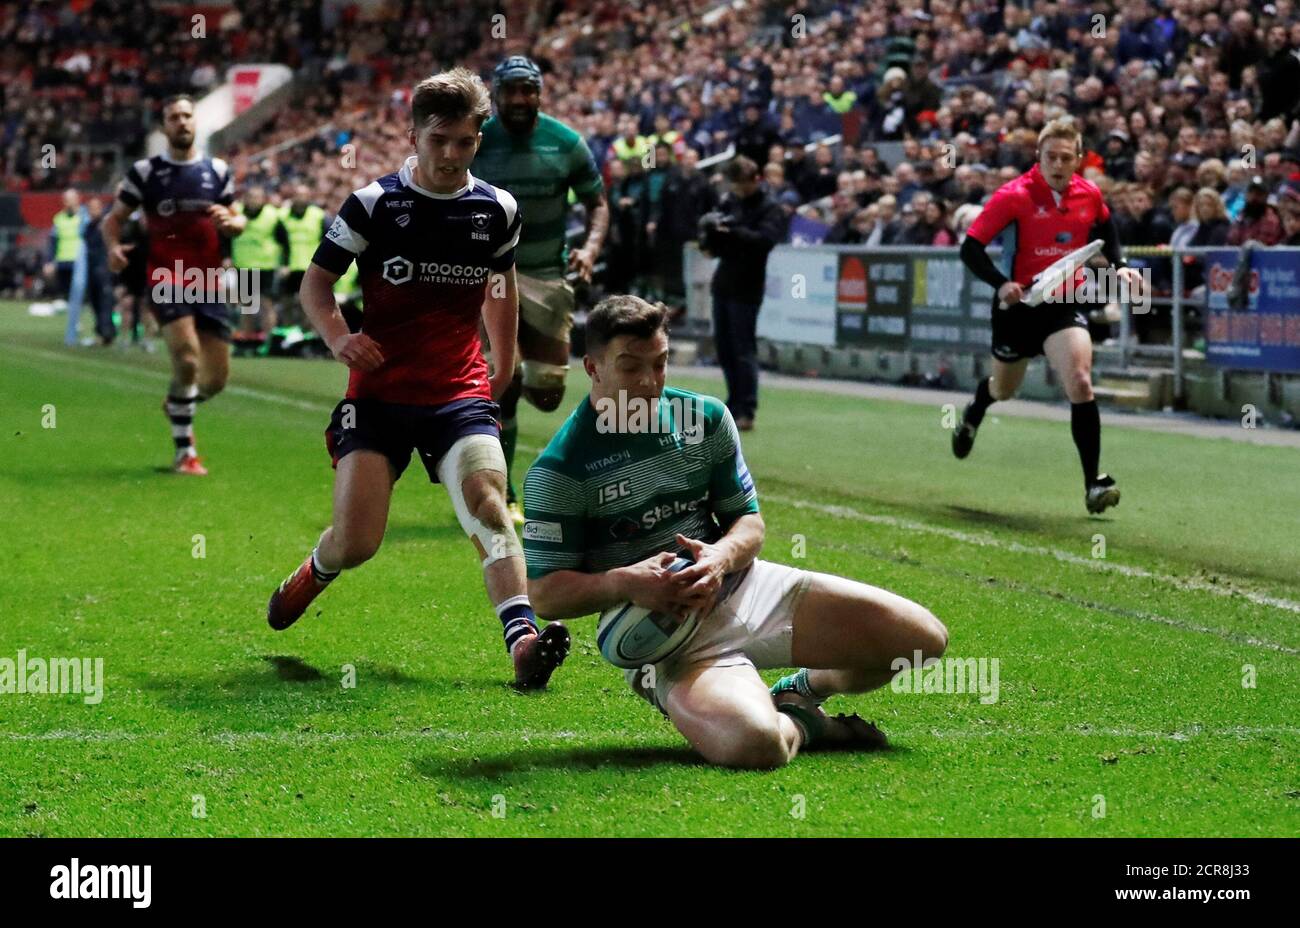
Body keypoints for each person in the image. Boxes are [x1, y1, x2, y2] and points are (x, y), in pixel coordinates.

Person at [522, 295, 948, 769]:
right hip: (666, 639)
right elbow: (544, 594)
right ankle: (804, 723)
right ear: (593, 367)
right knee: (755, 745)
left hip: (746, 587)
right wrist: (625, 583)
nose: (649, 382)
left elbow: (749, 524)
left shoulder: (704, 420)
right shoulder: (560, 471)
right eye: (630, 367)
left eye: (660, 364)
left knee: (922, 642)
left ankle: (805, 688)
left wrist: (721, 557)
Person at [264, 68, 570, 691]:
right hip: (377, 398)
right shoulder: (374, 204)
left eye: (465, 141)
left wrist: (503, 359)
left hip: (457, 393)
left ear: (478, 138)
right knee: (358, 543)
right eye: (440, 140)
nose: (452, 155)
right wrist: (340, 337)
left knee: (488, 505)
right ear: (414, 134)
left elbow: (498, 286)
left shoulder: (497, 209)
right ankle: (316, 569)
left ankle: (523, 645)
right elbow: (315, 284)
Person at [951, 117, 1143, 515]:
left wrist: (1121, 265)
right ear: (1037, 157)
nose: (1057, 164)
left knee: (1080, 381)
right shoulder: (1013, 196)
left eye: (1065, 157)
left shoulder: (1088, 194)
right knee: (1004, 389)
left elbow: (1107, 226)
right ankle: (975, 410)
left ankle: (1093, 483)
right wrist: (1001, 283)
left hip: (1062, 304)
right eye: (1049, 157)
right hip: (1017, 308)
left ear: (1077, 159)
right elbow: (971, 249)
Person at [471, 56, 609, 524]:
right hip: (488, 275)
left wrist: (589, 249)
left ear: (540, 93)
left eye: (528, 90)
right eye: (510, 91)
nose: (519, 100)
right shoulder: (475, 139)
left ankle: (491, 402)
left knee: (548, 393)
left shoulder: (566, 142)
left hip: (548, 276)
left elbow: (598, 203)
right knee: (499, 384)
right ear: (495, 94)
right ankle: (502, 491)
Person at [102, 94, 245, 475]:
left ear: (195, 123)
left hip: (210, 280)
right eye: (173, 117)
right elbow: (112, 220)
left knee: (214, 381)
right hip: (167, 275)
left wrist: (233, 224)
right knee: (186, 359)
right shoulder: (146, 172)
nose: (181, 122)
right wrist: (114, 248)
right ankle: (185, 453)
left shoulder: (217, 170)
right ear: (164, 127)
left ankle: (177, 402)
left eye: (187, 116)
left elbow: (237, 218)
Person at [698, 156, 785, 432]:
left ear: (754, 180)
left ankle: (747, 408)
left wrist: (731, 231)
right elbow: (715, 238)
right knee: (724, 348)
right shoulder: (730, 201)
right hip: (724, 281)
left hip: (747, 284)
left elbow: (764, 242)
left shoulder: (770, 208)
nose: (737, 191)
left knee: (743, 349)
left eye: (741, 185)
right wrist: (710, 233)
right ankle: (733, 403)